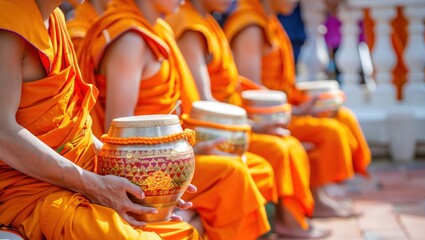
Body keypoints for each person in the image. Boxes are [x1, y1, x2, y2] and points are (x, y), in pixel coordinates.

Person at [0, 0, 200, 239]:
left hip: (78, 177)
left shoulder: (56, 19)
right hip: (34, 193)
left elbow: (74, 133)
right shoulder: (9, 23)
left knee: (179, 231)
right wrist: (91, 184)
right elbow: (3, 135)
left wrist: (150, 179)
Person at [77, 0, 274, 239]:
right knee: (234, 173)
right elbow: (120, 138)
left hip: (169, 149)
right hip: (143, 166)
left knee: (254, 166)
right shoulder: (130, 40)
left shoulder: (161, 30)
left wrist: (192, 148)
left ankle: (198, 222)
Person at [165, 1, 332, 239]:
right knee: (280, 150)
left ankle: (293, 216)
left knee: (286, 148)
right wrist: (256, 124)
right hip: (212, 128)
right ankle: (286, 221)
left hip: (227, 120)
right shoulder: (192, 28)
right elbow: (202, 102)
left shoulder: (207, 22)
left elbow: (238, 89)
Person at [223, 0, 371, 218]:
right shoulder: (251, 27)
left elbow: (276, 85)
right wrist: (298, 111)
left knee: (343, 117)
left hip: (281, 108)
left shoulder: (269, 20)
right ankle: (313, 200)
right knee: (330, 131)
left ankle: (321, 193)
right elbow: (252, 97)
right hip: (266, 117)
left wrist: (302, 102)